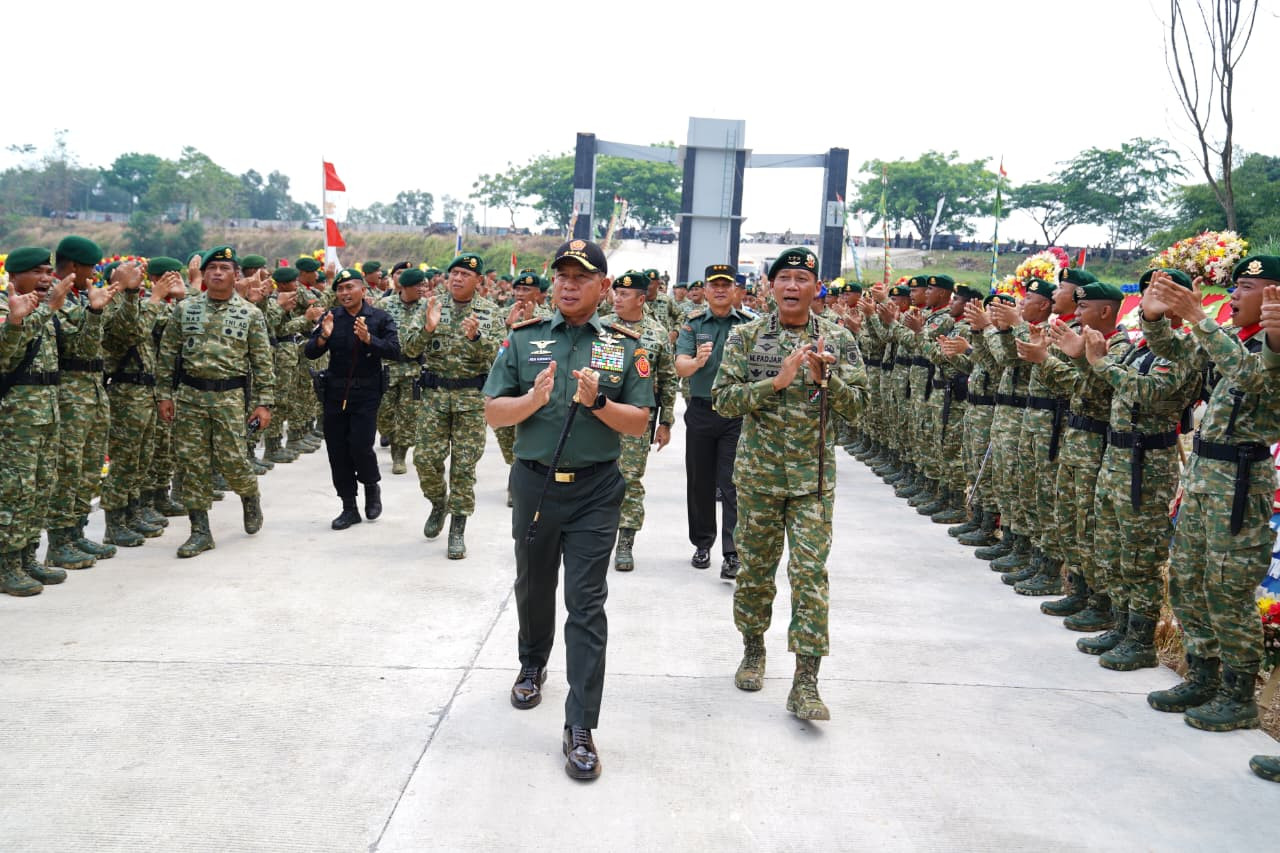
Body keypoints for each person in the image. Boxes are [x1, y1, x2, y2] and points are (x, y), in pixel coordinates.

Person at [482, 239, 653, 781]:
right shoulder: (524, 341)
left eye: (581, 276)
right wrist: (533, 400)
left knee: (586, 602)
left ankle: (580, 724)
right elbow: (492, 412)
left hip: (596, 491)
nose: (568, 284)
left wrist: (598, 403)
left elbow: (639, 421)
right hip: (534, 488)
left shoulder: (625, 347)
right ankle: (532, 663)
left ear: (604, 287)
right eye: (561, 276)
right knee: (533, 586)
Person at [713, 246, 868, 721]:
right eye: (784, 278)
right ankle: (754, 649)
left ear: (817, 287)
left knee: (809, 577)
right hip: (758, 477)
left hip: (813, 482)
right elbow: (721, 401)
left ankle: (806, 681)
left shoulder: (838, 339)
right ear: (770, 286)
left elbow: (861, 407)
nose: (793, 286)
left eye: (803, 278)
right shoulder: (746, 337)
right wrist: (776, 383)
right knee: (755, 574)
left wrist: (830, 382)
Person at [1140, 255, 1280, 732]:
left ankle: (1239, 695)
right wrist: (1156, 315)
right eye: (1235, 285)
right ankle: (1204, 674)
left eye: (1245, 286)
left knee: (1227, 588)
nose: (1235, 296)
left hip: (1240, 482)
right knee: (1187, 578)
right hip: (1204, 475)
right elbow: (1175, 354)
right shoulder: (1229, 338)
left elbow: (1255, 378)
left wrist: (1201, 319)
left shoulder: (1269, 347)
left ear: (1274, 295)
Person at [156, 246, 275, 558]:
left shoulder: (250, 314)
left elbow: (263, 363)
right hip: (190, 397)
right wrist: (164, 395)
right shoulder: (186, 309)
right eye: (212, 268)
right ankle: (200, 531)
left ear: (236, 276)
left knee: (234, 461)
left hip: (229, 398)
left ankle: (250, 496)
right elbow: (168, 354)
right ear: (204, 274)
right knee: (192, 464)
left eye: (224, 268)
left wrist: (264, 404)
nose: (218, 273)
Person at [400, 253, 503, 558]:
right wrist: (428, 329)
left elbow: (500, 356)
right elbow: (407, 348)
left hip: (471, 400)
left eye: (465, 274)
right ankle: (437, 501)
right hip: (434, 396)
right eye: (453, 273)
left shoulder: (489, 313)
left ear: (478, 281)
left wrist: (477, 339)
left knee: (463, 467)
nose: (457, 278)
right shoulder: (430, 305)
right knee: (424, 459)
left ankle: (457, 529)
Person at [0, 248, 84, 595]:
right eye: (37, 272)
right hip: (16, 415)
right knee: (14, 489)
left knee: (41, 486)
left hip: (46, 410)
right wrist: (34, 314)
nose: (47, 278)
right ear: (15, 276)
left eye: (49, 272)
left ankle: (27, 556)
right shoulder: (6, 308)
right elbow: (7, 354)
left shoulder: (48, 309)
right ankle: (6, 564)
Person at [305, 268, 401, 529]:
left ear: (363, 290)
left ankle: (371, 485)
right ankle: (349, 506)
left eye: (350, 288)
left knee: (360, 445)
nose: (345, 293)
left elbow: (395, 350)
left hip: (367, 394)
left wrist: (369, 339)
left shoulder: (379, 318)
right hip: (334, 394)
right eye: (340, 289)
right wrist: (323, 336)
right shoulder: (331, 317)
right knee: (337, 450)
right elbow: (310, 352)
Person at [675, 264, 755, 578]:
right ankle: (702, 543)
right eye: (714, 285)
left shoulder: (750, 325)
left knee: (733, 483)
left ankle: (732, 553)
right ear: (706, 291)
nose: (720, 290)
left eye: (726, 285)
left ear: (736, 290)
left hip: (735, 413)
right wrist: (696, 362)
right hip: (701, 410)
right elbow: (680, 365)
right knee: (699, 482)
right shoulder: (693, 324)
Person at [607, 270, 678, 572]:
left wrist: (666, 422)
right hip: (601, 414)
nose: (617, 299)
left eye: (624, 295)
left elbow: (668, 379)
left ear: (641, 298)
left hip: (637, 417)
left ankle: (625, 542)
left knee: (630, 481)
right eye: (616, 293)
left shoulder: (657, 333)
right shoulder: (601, 328)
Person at [377, 268, 426, 475]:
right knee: (383, 413)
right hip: (388, 366)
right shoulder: (385, 306)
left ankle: (400, 455)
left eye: (424, 285)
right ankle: (390, 436)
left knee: (409, 415)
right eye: (418, 286)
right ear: (404, 287)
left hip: (413, 368)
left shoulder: (427, 307)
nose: (422, 289)